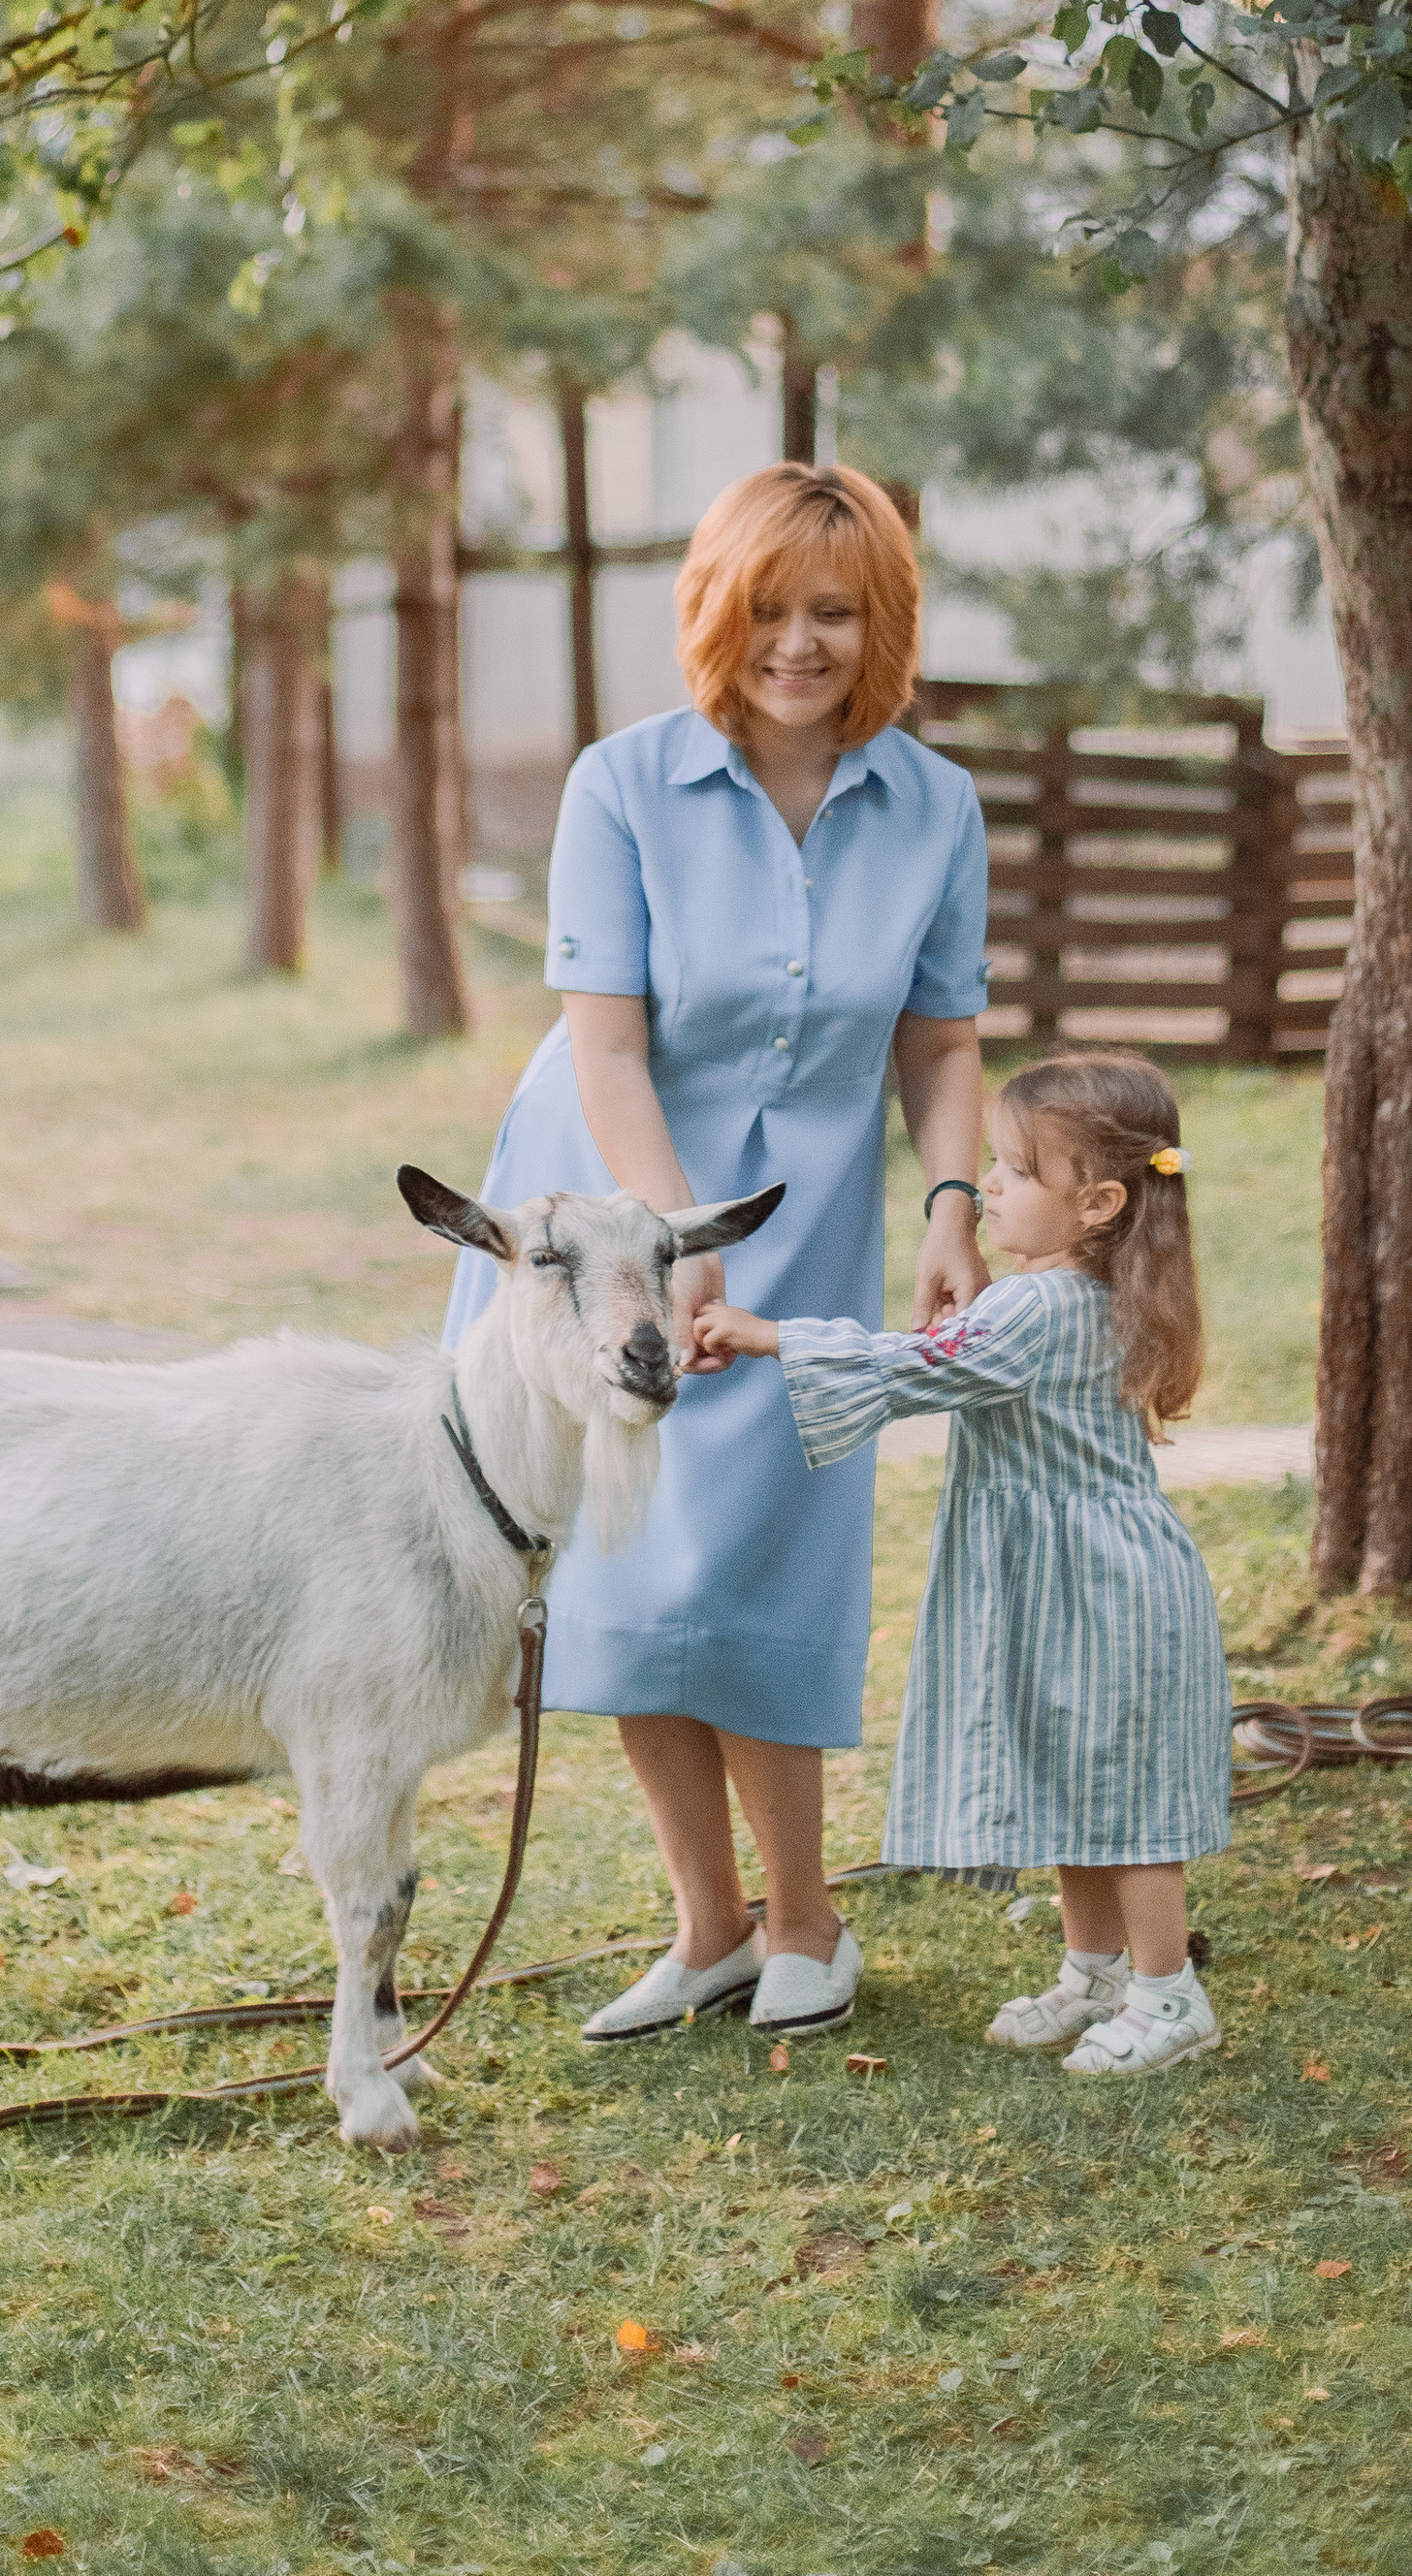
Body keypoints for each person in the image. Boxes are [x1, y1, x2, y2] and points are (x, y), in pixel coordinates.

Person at [441, 461, 990, 2043]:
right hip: (611, 1214)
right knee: (627, 1562)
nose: (798, 644)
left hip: (801, 1228)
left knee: (758, 1548)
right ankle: (710, 1928)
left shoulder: (935, 809)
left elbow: (941, 1042)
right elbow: (606, 1048)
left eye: (835, 613)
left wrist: (953, 1205)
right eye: (767, 610)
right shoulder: (620, 785)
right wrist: (672, 1248)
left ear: (883, 625)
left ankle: (807, 1920)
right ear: (714, 614)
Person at [697, 1049, 1233, 2079]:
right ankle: (1096, 1972)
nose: (987, 1185)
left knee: (1124, 1798)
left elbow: (914, 1367)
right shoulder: (1081, 1294)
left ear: (1099, 1203)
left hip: (1099, 1589)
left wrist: (770, 1337)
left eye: (1018, 1171)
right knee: (1077, 1775)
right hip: (1089, 1578)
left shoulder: (1034, 1308)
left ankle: (1169, 1994)